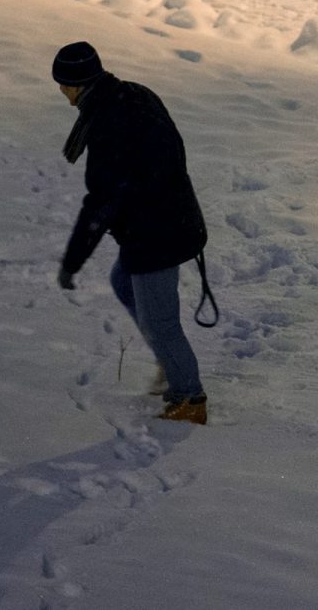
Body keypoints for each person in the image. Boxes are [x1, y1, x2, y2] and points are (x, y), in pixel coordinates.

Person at [52, 40, 217, 424]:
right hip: (165, 220)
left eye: (63, 83)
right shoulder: (130, 96)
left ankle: (189, 400)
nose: (61, 91)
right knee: (125, 285)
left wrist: (72, 261)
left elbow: (101, 201)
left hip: (156, 233)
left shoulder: (111, 121)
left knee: (161, 322)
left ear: (78, 82)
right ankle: (170, 363)